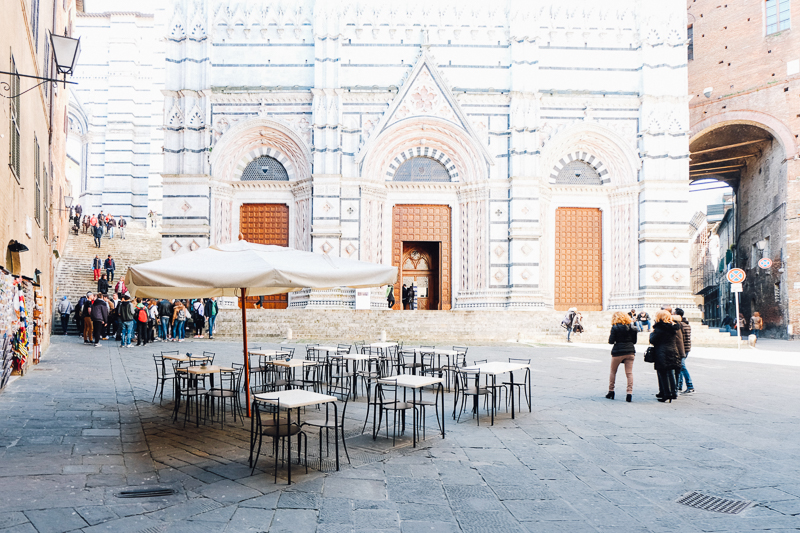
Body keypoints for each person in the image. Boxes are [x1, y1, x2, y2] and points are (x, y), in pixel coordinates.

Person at [648, 310, 682, 402]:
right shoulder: (673, 327)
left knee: (663, 373)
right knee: (670, 372)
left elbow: (653, 340)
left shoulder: (659, 328)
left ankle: (666, 394)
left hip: (661, 352)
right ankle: (673, 392)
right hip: (672, 351)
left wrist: (652, 333)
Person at [607, 311, 637, 402]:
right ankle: (629, 393)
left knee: (613, 371)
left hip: (618, 351)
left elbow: (611, 341)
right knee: (629, 373)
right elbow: (634, 341)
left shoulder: (615, 327)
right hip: (630, 351)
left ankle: (611, 391)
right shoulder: (632, 328)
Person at [674, 308, 694, 394]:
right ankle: (679, 386)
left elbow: (681, 339)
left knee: (682, 366)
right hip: (687, 348)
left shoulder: (681, 325)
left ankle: (690, 386)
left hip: (683, 348)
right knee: (680, 366)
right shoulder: (686, 324)